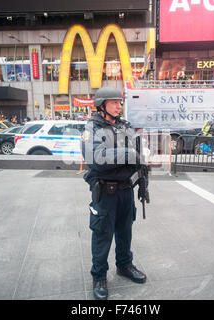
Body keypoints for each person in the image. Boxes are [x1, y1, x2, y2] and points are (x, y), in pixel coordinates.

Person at [81, 86, 147, 300]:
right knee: (102, 235)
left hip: (126, 190)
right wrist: (128, 154)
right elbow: (98, 160)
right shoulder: (91, 129)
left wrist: (143, 182)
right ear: (101, 106)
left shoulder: (125, 126)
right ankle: (99, 276)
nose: (119, 105)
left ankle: (125, 265)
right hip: (106, 194)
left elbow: (140, 156)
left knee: (125, 232)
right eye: (114, 102)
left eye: (120, 102)